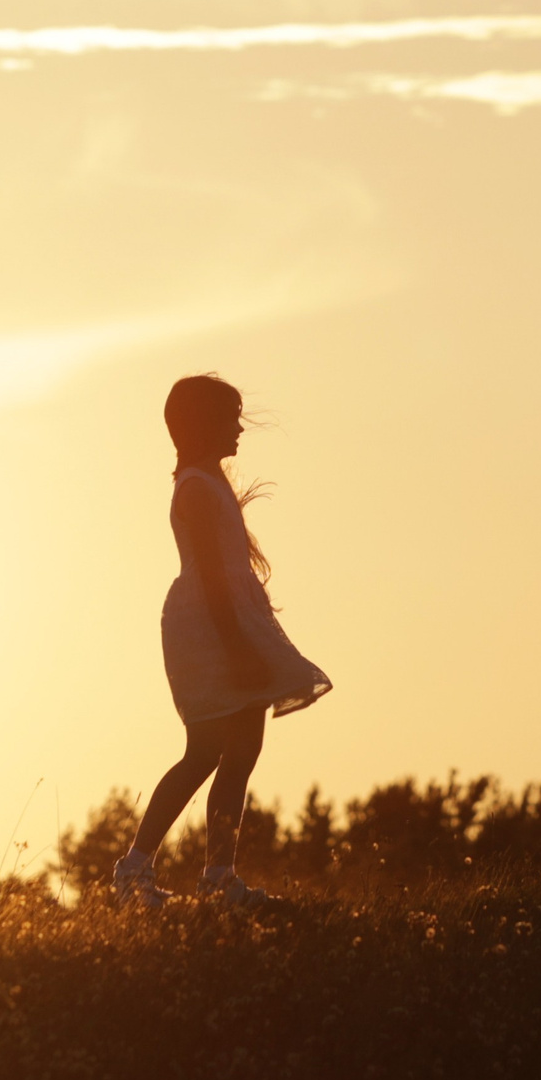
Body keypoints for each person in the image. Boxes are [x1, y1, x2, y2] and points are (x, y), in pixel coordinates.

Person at [112, 375, 332, 909]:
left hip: (228, 619)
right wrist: (240, 651)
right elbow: (211, 579)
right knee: (205, 751)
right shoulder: (194, 488)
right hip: (212, 627)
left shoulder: (206, 482)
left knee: (242, 752)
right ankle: (134, 869)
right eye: (230, 417)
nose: (238, 427)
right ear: (202, 423)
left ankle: (218, 876)